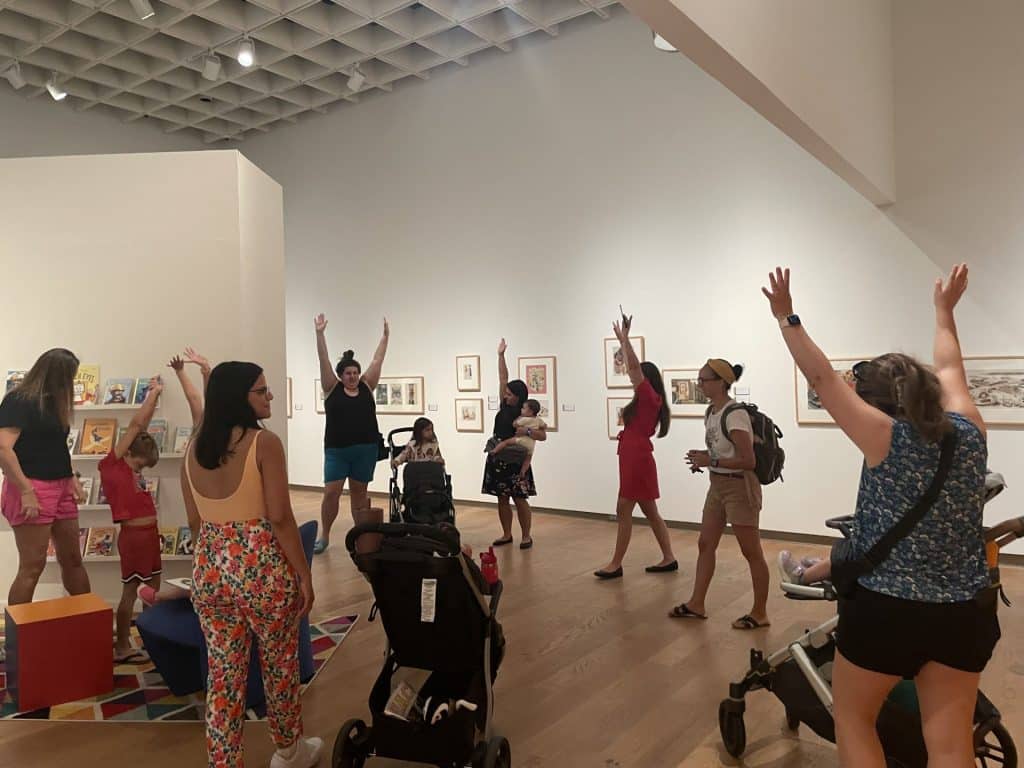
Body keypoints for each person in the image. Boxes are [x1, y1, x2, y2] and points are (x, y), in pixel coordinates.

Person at [762, 264, 997, 767]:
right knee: (951, 742)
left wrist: (786, 317)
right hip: (963, 612)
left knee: (854, 720)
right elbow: (951, 367)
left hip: (886, 612)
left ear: (878, 405)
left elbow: (822, 378)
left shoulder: (885, 437)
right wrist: (944, 311)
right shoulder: (972, 431)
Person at [181, 362, 319, 768]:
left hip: (210, 571)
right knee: (279, 666)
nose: (270, 395)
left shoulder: (192, 449)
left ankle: (224, 762)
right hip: (262, 572)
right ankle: (289, 751)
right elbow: (280, 517)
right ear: (238, 398)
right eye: (261, 390)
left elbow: (195, 523)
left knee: (223, 677)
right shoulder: (264, 443)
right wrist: (303, 573)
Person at [669, 358, 771, 630]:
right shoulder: (711, 412)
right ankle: (696, 603)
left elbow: (748, 460)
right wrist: (704, 457)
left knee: (751, 551)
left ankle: (760, 613)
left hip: (739, 488)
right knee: (706, 543)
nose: (699, 384)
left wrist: (710, 460)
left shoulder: (734, 415)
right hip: (717, 486)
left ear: (721, 382)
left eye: (704, 380)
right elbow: (723, 451)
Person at [0, 349, 91, 617]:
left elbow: (57, 446)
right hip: (32, 486)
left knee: (73, 559)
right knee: (33, 565)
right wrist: (26, 490)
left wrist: (71, 477)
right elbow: (4, 449)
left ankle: (87, 622)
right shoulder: (19, 400)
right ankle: (18, 636)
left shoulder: (55, 403)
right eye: (68, 377)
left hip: (60, 485)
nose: (70, 383)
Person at [595, 310, 677, 579]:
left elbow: (633, 368)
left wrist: (625, 340)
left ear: (646, 378)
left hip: (637, 458)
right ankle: (668, 557)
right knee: (649, 511)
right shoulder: (647, 399)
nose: (631, 378)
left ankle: (616, 563)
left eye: (637, 376)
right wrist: (623, 340)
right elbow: (633, 370)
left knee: (624, 509)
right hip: (635, 456)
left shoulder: (649, 396)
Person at [98, 376, 164, 663]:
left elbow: (142, 429)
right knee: (130, 592)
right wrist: (153, 393)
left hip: (150, 535)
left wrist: (156, 395)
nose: (140, 470)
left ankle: (152, 639)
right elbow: (137, 425)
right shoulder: (112, 465)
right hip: (134, 538)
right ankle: (122, 645)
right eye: (139, 464)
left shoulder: (132, 469)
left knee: (153, 591)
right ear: (127, 453)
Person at [137, 350, 210, 607]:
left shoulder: (215, 434)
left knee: (206, 552)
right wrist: (186, 372)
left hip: (210, 504)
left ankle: (172, 596)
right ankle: (182, 595)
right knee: (201, 547)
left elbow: (200, 399)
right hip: (200, 499)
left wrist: (203, 370)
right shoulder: (203, 428)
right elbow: (196, 399)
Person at [314, 314, 389, 554]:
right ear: (341, 375)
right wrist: (319, 334)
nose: (353, 376)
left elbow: (377, 359)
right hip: (337, 451)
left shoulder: (366, 386)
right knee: (331, 493)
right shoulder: (331, 387)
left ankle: (361, 538)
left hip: (365, 450)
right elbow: (324, 359)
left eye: (355, 372)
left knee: (359, 495)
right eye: (348, 373)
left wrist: (385, 337)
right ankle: (325, 535)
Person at [483, 339, 546, 549]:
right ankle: (507, 534)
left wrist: (526, 431)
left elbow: (542, 435)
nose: (505, 395)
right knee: (502, 498)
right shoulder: (504, 405)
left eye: (509, 394)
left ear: (518, 397)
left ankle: (526, 536)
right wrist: (501, 356)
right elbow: (503, 378)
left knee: (519, 498)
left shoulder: (526, 412)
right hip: (498, 456)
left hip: (516, 459)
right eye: (506, 393)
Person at [489, 398, 544, 482]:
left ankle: (495, 450)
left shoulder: (524, 418)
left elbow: (515, 424)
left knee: (506, 442)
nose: (522, 409)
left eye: (509, 394)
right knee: (528, 458)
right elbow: (544, 426)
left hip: (520, 442)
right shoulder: (538, 419)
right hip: (531, 444)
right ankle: (523, 471)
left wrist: (524, 427)